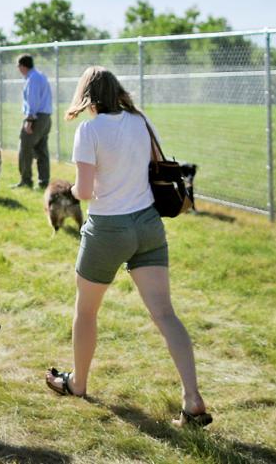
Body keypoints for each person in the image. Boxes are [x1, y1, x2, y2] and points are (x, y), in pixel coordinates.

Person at [44, 66, 211, 428]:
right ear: (116, 91)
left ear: (86, 97)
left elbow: (84, 192)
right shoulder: (140, 121)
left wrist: (74, 189)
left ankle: (78, 384)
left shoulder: (89, 131)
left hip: (108, 229)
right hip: (148, 225)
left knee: (86, 312)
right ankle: (192, 398)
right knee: (165, 314)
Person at [13, 54, 53, 190]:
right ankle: (44, 181)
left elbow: (33, 100)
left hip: (36, 117)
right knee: (41, 150)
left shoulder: (33, 78)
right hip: (46, 117)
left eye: (18, 66)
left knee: (25, 148)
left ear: (23, 66)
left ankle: (26, 180)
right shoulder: (40, 76)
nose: (18, 69)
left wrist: (29, 120)